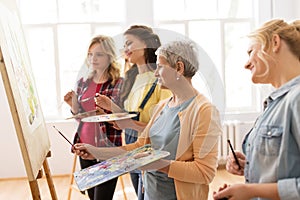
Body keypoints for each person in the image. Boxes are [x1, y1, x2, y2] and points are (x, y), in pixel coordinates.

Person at [73, 39, 223, 200]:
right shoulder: (162, 106)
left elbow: (204, 172)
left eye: (160, 67)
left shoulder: (204, 110)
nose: (155, 73)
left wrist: (157, 164)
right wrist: (96, 152)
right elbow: (139, 147)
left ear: (179, 68)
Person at [213, 19, 300, 200]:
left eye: (251, 52)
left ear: (275, 42)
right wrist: (251, 166)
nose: (246, 64)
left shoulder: (297, 98)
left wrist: (252, 191)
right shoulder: (276, 102)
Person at [94, 25, 172, 200]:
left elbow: (166, 127)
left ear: (146, 44)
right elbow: (130, 116)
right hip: (132, 151)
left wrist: (129, 124)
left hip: (152, 153)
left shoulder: (161, 80)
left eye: (129, 43)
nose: (125, 49)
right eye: (124, 44)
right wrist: (112, 107)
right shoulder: (131, 78)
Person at [64, 35, 123, 200]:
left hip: (108, 149)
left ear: (110, 56)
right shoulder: (84, 82)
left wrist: (106, 114)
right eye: (90, 54)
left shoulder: (119, 83)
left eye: (99, 54)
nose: (93, 58)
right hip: (85, 148)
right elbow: (81, 119)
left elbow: (123, 119)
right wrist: (73, 105)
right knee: (92, 197)